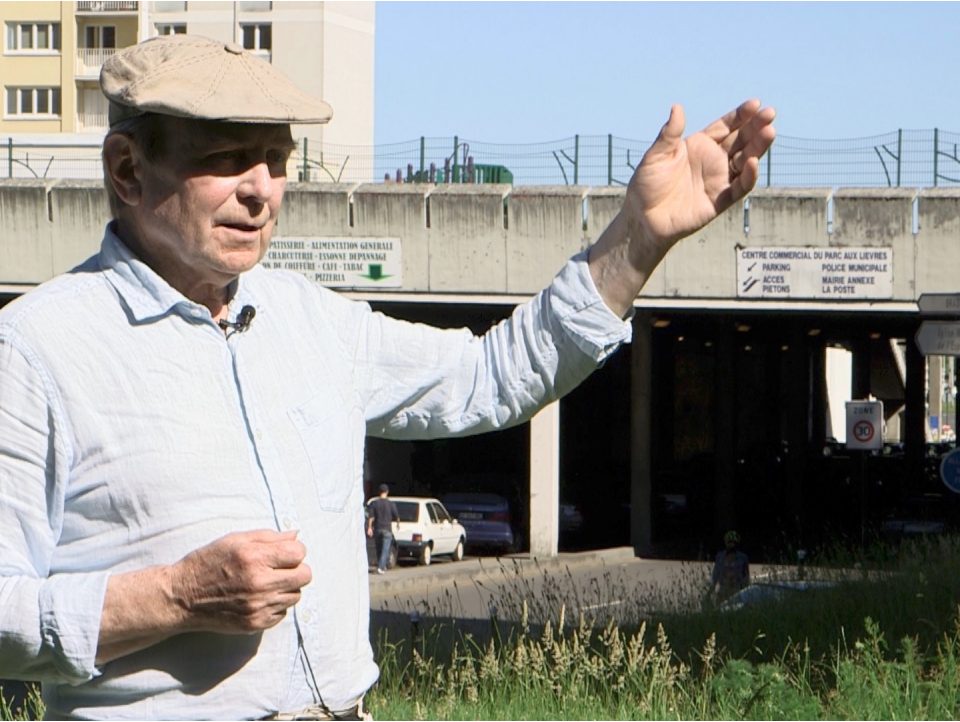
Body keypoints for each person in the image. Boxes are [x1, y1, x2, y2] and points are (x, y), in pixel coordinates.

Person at [0, 34, 775, 720]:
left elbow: (493, 376)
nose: (261, 189)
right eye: (225, 159)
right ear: (127, 171)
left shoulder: (319, 323)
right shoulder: (36, 350)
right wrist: (176, 595)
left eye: (275, 159)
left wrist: (638, 237)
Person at [366, 485, 399, 574]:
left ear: (379, 492)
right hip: (387, 529)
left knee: (379, 548)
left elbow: (371, 517)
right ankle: (381, 567)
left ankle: (382, 566)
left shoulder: (375, 503)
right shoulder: (391, 504)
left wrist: (369, 527)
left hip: (377, 528)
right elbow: (396, 516)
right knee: (385, 549)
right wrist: (398, 524)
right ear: (387, 492)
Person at [711, 530, 751, 601]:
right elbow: (715, 574)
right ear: (726, 542)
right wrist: (711, 589)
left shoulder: (743, 558)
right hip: (723, 590)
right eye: (729, 542)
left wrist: (746, 591)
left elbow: (746, 577)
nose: (731, 544)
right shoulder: (720, 557)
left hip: (736, 590)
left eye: (733, 542)